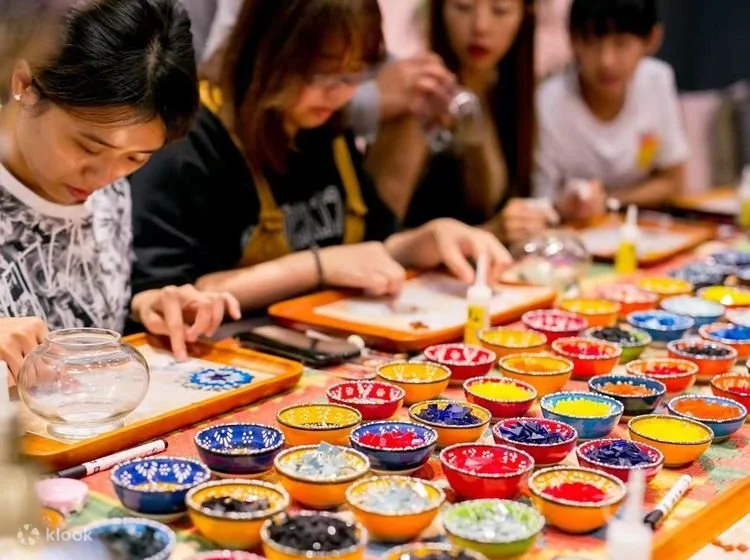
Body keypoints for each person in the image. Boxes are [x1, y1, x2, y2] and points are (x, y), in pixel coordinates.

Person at [130, 0, 512, 313]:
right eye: (320, 75)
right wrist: (318, 267)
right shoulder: (189, 144)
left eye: (353, 76)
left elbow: (372, 247)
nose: (338, 93)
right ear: (266, 54)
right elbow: (166, 299)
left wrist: (427, 239)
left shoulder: (320, 124)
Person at [0, 0, 242, 378]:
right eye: (88, 147)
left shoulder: (109, 184)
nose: (105, 176)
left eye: (136, 157)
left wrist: (146, 304)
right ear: (25, 84)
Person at [364, 0, 550, 246]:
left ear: (525, 15)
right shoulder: (424, 98)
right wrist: (489, 234)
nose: (480, 26)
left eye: (500, 10)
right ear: (439, 11)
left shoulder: (509, 90)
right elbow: (375, 238)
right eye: (463, 7)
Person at [533, 0, 689, 222]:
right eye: (592, 42)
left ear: (652, 39)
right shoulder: (549, 101)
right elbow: (541, 200)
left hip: (643, 226)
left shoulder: (657, 80)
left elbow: (673, 182)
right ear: (572, 40)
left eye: (621, 43)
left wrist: (608, 201)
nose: (606, 61)